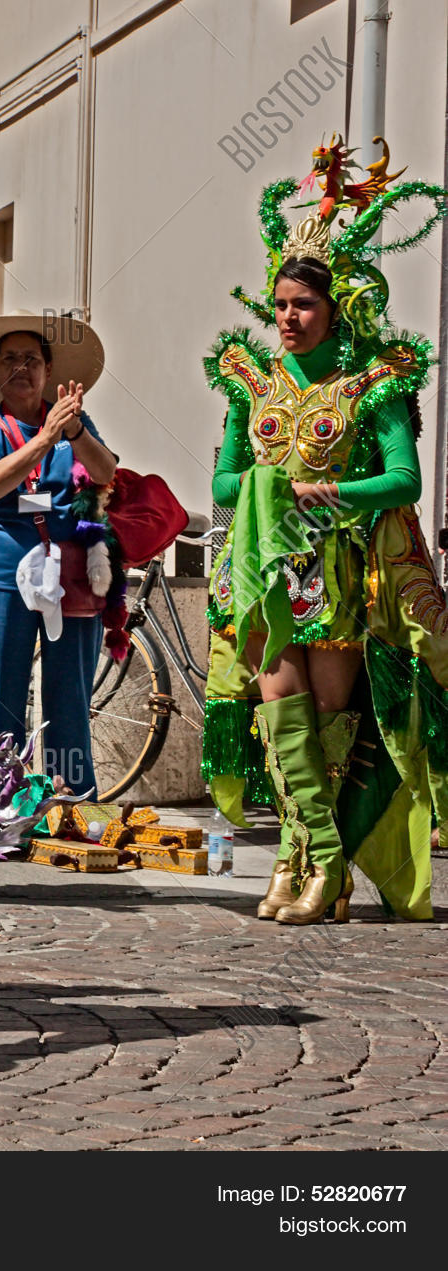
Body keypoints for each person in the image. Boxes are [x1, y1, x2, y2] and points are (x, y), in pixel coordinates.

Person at [203, 142, 447, 924]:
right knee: (279, 713)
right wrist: (273, 487)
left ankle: (317, 867)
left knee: (330, 727)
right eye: (279, 305)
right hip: (270, 569)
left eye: (302, 306)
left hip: (339, 571)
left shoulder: (373, 383)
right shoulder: (251, 380)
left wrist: (328, 488)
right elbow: (223, 484)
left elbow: (404, 479)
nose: (286, 318)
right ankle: (311, 857)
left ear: (334, 309)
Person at [0, 311, 117, 794]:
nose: (22, 367)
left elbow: (105, 473)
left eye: (32, 359)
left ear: (48, 370)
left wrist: (75, 432)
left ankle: (73, 804)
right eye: (11, 359)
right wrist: (45, 440)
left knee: (70, 701)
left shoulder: (75, 426)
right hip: (0, 575)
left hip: (72, 577)